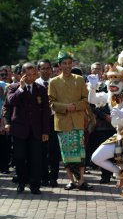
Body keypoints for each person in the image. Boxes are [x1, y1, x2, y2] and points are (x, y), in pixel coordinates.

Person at [88, 50, 123, 206]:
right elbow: (93, 100)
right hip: (119, 135)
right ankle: (119, 172)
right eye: (110, 82)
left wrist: (122, 112)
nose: (112, 85)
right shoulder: (109, 96)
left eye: (116, 82)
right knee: (96, 158)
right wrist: (92, 88)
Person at [48, 51, 93, 191]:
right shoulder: (53, 82)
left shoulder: (79, 79)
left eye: (69, 63)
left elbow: (86, 100)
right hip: (63, 121)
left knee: (80, 153)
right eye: (64, 64)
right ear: (59, 65)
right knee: (66, 153)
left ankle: (82, 180)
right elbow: (51, 103)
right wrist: (66, 107)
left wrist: (76, 106)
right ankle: (72, 181)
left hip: (78, 121)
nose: (67, 66)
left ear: (72, 64)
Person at [4, 62, 50, 194]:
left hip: (36, 131)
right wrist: (21, 88)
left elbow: (45, 112)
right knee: (19, 157)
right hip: (19, 130)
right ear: (22, 75)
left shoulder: (41, 89)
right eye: (28, 75)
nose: (31, 77)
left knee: (36, 158)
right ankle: (21, 182)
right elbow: (11, 102)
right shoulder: (13, 87)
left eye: (34, 74)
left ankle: (35, 185)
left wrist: (45, 130)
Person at [36, 59, 61, 187]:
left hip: (54, 121)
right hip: (39, 123)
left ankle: (54, 177)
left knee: (54, 151)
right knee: (41, 151)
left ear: (51, 69)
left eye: (48, 68)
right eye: (43, 68)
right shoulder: (35, 84)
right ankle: (44, 177)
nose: (45, 70)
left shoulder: (56, 83)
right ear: (38, 70)